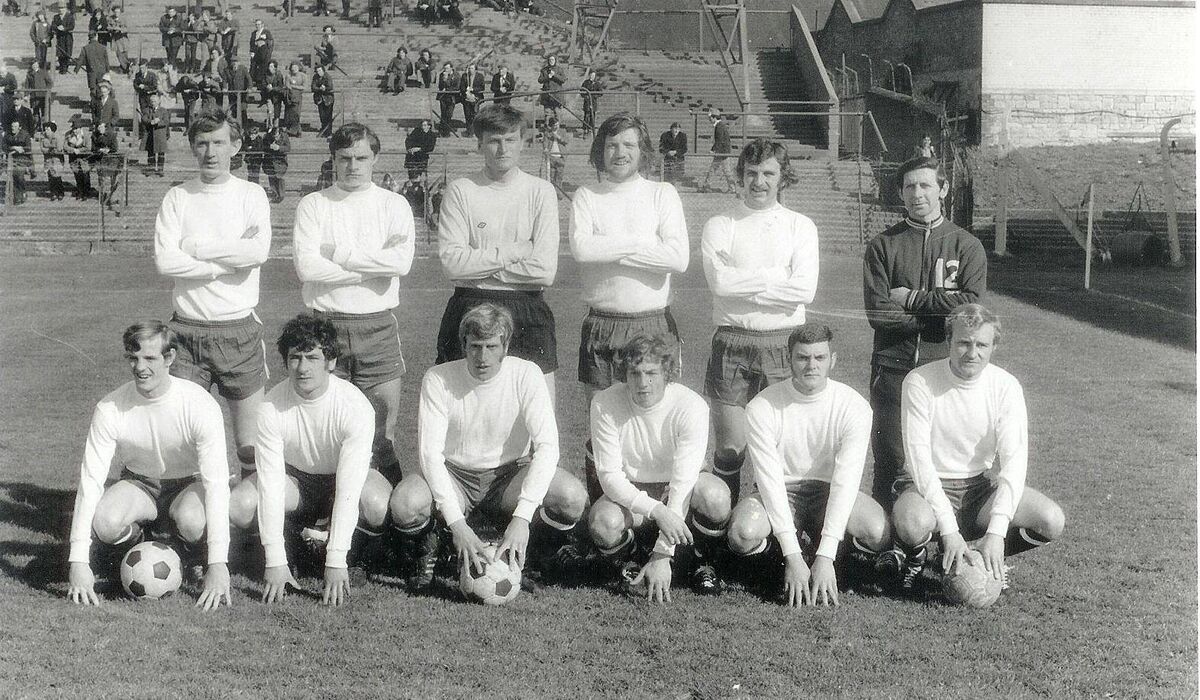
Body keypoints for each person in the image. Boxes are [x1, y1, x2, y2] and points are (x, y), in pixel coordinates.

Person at [388, 304, 588, 589]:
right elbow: (430, 455)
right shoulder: (438, 378)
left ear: (505, 346)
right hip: (455, 474)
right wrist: (457, 524)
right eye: (475, 346)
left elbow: (548, 446)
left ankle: (534, 554)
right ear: (463, 345)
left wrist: (522, 517)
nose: (483, 357)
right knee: (406, 503)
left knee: (571, 497)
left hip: (508, 476)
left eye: (492, 346)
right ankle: (434, 547)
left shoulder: (527, 374)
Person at [881, 303, 1066, 591]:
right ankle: (916, 556)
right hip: (923, 486)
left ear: (994, 346)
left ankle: (982, 554)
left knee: (1051, 520)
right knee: (912, 523)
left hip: (978, 488)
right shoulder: (919, 381)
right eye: (964, 343)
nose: (972, 353)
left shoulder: (1006, 386)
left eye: (982, 344)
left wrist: (997, 533)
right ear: (948, 341)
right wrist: (949, 528)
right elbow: (919, 461)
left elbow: (1014, 462)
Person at [65, 321, 233, 610]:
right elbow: (91, 480)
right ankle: (140, 545)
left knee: (193, 521)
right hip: (140, 483)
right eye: (133, 358)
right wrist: (78, 561)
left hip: (189, 483)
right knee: (105, 522)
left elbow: (216, 483)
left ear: (169, 358)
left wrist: (219, 564)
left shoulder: (199, 404)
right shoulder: (110, 407)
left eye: (150, 358)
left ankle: (188, 557)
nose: (140, 367)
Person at [229, 314, 394, 605]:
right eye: (295, 358)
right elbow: (269, 483)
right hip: (298, 480)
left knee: (377, 503)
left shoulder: (355, 406)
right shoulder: (270, 407)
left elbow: (349, 487)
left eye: (312, 358)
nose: (302, 368)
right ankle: (289, 552)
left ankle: (359, 559)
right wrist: (275, 560)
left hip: (341, 479)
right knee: (241, 504)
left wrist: (336, 560)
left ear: (331, 362)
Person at [729, 323, 890, 606]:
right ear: (788, 359)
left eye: (820, 358)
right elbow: (769, 482)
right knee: (743, 534)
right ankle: (783, 563)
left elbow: (846, 480)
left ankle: (831, 560)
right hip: (783, 490)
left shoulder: (854, 406)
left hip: (829, 491)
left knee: (878, 532)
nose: (811, 366)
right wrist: (791, 554)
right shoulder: (762, 406)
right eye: (802, 358)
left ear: (833, 360)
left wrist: (826, 554)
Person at [861, 155, 986, 510]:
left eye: (925, 185)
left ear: (943, 189)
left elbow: (972, 307)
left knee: (942, 458)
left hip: (945, 368)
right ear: (900, 192)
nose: (917, 193)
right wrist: (939, 315)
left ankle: (937, 542)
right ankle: (879, 549)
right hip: (892, 367)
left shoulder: (966, 245)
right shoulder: (883, 245)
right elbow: (879, 314)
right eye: (909, 186)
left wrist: (914, 299)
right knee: (890, 457)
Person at [292, 122, 416, 478]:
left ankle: (391, 521)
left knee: (382, 430)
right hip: (325, 324)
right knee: (328, 424)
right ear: (333, 158)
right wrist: (372, 269)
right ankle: (329, 510)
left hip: (377, 325)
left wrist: (341, 255)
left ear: (375, 158)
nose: (353, 165)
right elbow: (308, 268)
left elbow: (401, 263)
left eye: (361, 157)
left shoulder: (394, 204)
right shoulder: (314, 204)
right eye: (345, 158)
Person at [153, 109, 273, 473]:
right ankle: (189, 521)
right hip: (186, 332)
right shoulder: (178, 197)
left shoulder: (251, 194)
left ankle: (250, 525)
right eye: (202, 143)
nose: (210, 152)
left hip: (238, 331)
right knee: (183, 439)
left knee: (251, 446)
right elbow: (166, 263)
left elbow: (257, 252)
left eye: (219, 142)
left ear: (234, 146)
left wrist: (194, 247)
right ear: (192, 147)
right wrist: (229, 260)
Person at [700, 138, 815, 502]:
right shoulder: (720, 224)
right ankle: (720, 540)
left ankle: (776, 537)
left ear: (783, 177)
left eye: (769, 173)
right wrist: (777, 276)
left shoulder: (800, 225)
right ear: (740, 176)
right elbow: (719, 282)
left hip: (784, 344)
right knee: (730, 449)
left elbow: (804, 290)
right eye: (752, 173)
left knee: (782, 450)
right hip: (732, 342)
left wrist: (743, 280)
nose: (759, 182)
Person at [568, 111, 688, 444]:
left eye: (629, 145)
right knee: (602, 428)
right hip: (602, 325)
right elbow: (583, 249)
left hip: (653, 324)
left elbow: (677, 259)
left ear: (643, 150)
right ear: (600, 150)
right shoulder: (587, 196)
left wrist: (609, 246)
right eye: (612, 145)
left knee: (658, 427)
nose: (620, 153)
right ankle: (602, 497)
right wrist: (645, 244)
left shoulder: (662, 194)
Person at [587, 334, 731, 600]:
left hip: (680, 488)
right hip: (632, 492)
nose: (643, 383)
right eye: (635, 373)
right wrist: (657, 511)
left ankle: (701, 562)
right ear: (624, 373)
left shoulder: (691, 405)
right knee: (602, 523)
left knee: (716, 498)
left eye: (651, 373)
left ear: (667, 372)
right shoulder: (604, 403)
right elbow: (609, 477)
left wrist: (663, 553)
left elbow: (684, 481)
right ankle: (630, 561)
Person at [436, 104, 560, 402]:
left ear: (523, 142)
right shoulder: (461, 190)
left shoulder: (540, 191)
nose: (502, 148)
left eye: (510, 139)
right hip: (469, 304)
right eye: (494, 140)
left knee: (537, 412)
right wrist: (518, 251)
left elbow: (544, 271)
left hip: (527, 307)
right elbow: (453, 265)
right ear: (480, 144)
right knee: (463, 408)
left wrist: (478, 263)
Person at [701, 108, 735, 194]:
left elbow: (719, 140)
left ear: (714, 117)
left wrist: (714, 150)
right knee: (726, 171)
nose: (709, 120)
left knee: (714, 169)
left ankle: (706, 186)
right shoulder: (721, 125)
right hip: (724, 152)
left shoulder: (719, 126)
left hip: (721, 152)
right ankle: (732, 188)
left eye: (710, 118)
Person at [92, 120, 121, 208]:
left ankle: (112, 197)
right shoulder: (94, 136)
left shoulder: (111, 135)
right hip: (100, 160)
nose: (100, 129)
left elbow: (115, 147)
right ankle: (103, 197)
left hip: (111, 160)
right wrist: (100, 150)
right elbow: (93, 148)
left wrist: (108, 150)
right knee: (102, 180)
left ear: (105, 128)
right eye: (98, 127)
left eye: (102, 127)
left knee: (113, 179)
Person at [4, 120, 33, 205]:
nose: (13, 128)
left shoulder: (25, 135)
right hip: (11, 159)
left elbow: (28, 148)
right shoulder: (8, 134)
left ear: (19, 128)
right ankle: (17, 198)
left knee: (19, 175)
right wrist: (14, 147)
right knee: (14, 176)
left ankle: (22, 193)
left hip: (23, 159)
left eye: (15, 127)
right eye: (12, 126)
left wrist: (22, 149)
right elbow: (3, 146)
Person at [141, 92, 170, 177]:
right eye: (151, 101)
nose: (153, 103)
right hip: (150, 135)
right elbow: (144, 119)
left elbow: (166, 122)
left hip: (160, 135)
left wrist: (158, 122)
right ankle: (151, 169)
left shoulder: (163, 110)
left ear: (159, 101)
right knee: (150, 154)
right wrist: (151, 122)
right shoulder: (147, 110)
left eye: (155, 101)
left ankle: (160, 170)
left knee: (161, 153)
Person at [65, 113, 93, 198]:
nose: (74, 131)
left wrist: (79, 150)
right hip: (73, 159)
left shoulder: (86, 135)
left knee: (85, 175)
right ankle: (80, 191)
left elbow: (88, 147)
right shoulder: (68, 134)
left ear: (80, 128)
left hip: (84, 159)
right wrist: (73, 150)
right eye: (73, 129)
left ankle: (86, 192)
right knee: (77, 175)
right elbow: (65, 146)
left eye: (76, 129)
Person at [38, 120, 66, 199]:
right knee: (50, 176)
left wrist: (52, 149)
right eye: (45, 129)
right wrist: (49, 150)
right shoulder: (43, 137)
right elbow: (42, 148)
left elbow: (59, 148)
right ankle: (53, 192)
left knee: (57, 176)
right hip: (48, 159)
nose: (46, 131)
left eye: (48, 129)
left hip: (57, 159)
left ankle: (60, 192)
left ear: (52, 130)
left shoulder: (57, 137)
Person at [262, 121, 288, 202]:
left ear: (279, 134)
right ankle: (275, 194)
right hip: (269, 161)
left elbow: (288, 148)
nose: (275, 138)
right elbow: (263, 146)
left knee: (279, 178)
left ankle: (281, 195)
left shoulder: (284, 136)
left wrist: (279, 147)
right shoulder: (267, 136)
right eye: (274, 136)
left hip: (280, 161)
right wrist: (269, 146)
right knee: (271, 177)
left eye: (276, 136)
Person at [24, 64, 52, 131]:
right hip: (34, 97)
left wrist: (46, 90)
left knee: (44, 113)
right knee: (35, 114)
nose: (34, 66)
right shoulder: (29, 74)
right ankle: (37, 128)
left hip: (42, 96)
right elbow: (27, 85)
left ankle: (45, 128)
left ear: (38, 65)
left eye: (36, 64)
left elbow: (50, 82)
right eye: (33, 65)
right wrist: (26, 95)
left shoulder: (43, 72)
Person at [458, 61, 485, 132]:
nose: (470, 70)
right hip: (466, 98)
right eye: (469, 68)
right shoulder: (465, 76)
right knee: (467, 115)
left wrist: (473, 90)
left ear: (475, 69)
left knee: (475, 115)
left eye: (472, 68)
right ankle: (469, 130)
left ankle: (475, 130)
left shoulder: (480, 76)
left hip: (476, 98)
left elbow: (482, 87)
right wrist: (466, 92)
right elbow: (461, 86)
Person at [536, 54, 563, 122]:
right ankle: (547, 130)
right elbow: (540, 80)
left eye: (553, 60)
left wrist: (555, 75)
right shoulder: (544, 70)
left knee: (557, 113)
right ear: (548, 61)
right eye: (550, 60)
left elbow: (563, 80)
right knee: (547, 114)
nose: (551, 61)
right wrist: (548, 77)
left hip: (557, 96)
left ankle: (556, 130)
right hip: (547, 96)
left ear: (555, 60)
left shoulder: (559, 69)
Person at [541, 117, 566, 189]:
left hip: (560, 157)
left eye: (558, 124)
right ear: (551, 126)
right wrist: (545, 148)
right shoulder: (547, 133)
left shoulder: (562, 132)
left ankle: (559, 192)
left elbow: (566, 141)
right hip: (551, 157)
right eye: (555, 125)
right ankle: (552, 192)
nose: (557, 126)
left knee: (559, 176)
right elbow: (545, 143)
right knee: (551, 177)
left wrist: (558, 137)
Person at [435, 61, 459, 136]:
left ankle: (446, 131)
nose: (446, 70)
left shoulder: (456, 75)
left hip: (452, 97)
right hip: (443, 97)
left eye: (447, 68)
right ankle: (442, 131)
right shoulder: (442, 74)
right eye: (445, 68)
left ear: (451, 68)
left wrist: (446, 82)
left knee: (449, 114)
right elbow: (440, 86)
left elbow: (457, 87)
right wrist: (443, 80)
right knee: (443, 114)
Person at [311, 64, 334, 138]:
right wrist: (320, 89)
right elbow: (313, 87)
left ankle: (329, 132)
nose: (318, 72)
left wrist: (325, 88)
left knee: (328, 116)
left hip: (328, 99)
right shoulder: (315, 77)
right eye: (317, 71)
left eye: (320, 70)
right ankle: (324, 130)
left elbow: (330, 86)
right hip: (319, 99)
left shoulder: (328, 77)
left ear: (323, 70)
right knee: (322, 116)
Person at [283, 62, 305, 137]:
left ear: (299, 68)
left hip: (298, 97)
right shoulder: (288, 76)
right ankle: (295, 131)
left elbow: (304, 87)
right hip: (289, 96)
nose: (294, 69)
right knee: (290, 114)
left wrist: (294, 86)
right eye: (293, 68)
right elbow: (287, 85)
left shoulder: (303, 76)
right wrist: (294, 86)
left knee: (296, 114)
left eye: (296, 67)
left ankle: (297, 131)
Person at [52, 4, 75, 74]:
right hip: (60, 38)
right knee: (60, 53)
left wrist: (64, 28)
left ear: (66, 8)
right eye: (59, 8)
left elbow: (72, 26)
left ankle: (65, 67)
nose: (61, 10)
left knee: (67, 52)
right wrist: (58, 27)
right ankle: (61, 67)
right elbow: (53, 25)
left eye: (62, 8)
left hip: (67, 37)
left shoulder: (70, 16)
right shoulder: (56, 17)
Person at [248, 18, 272, 88]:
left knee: (262, 68)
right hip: (255, 54)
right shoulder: (253, 33)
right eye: (256, 25)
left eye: (259, 24)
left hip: (263, 54)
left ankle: (261, 83)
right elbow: (251, 43)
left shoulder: (266, 32)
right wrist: (251, 52)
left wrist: (263, 43)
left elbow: (270, 42)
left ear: (262, 25)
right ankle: (253, 82)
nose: (257, 26)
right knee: (253, 67)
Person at [262, 60, 285, 127]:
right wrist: (266, 86)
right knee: (270, 110)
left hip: (277, 96)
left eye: (271, 66)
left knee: (277, 113)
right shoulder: (265, 74)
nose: (270, 68)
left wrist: (273, 88)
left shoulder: (279, 75)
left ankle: (276, 127)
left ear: (275, 67)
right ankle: (269, 126)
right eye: (269, 66)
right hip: (269, 95)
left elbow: (281, 86)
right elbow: (263, 83)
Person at [579, 70, 601, 135]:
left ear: (595, 76)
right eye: (591, 75)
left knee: (592, 115)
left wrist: (595, 96)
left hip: (593, 101)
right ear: (589, 75)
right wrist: (585, 96)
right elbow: (581, 90)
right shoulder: (585, 82)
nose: (592, 76)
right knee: (586, 115)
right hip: (587, 101)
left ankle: (591, 128)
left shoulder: (597, 83)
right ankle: (585, 128)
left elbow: (600, 92)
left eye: (593, 75)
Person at [108, 6, 129, 73]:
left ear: (120, 12)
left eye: (118, 12)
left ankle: (125, 68)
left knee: (124, 54)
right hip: (115, 40)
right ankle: (125, 68)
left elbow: (127, 28)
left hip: (123, 39)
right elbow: (108, 27)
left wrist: (120, 29)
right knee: (118, 54)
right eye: (115, 12)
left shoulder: (124, 19)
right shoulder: (111, 18)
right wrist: (112, 29)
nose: (117, 13)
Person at [242, 120, 263, 186]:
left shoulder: (259, 140)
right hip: (250, 160)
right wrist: (247, 148)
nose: (251, 136)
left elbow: (259, 149)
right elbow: (244, 146)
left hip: (257, 161)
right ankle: (250, 186)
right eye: (250, 135)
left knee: (256, 175)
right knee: (250, 174)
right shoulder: (248, 139)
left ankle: (256, 186)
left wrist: (251, 148)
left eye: (253, 135)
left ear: (256, 134)